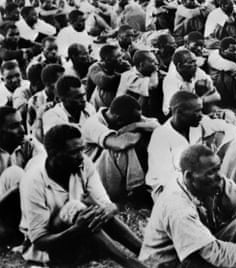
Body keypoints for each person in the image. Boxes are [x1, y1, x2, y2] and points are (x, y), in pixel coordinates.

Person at [19, 124, 145, 267]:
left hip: (79, 235)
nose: (81, 156)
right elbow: (40, 240)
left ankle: (148, 252)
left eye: (82, 149)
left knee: (93, 211)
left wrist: (108, 210)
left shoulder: (83, 163)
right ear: (54, 154)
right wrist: (77, 229)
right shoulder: (34, 180)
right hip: (47, 249)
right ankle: (129, 263)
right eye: (74, 152)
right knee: (76, 208)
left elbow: (104, 203)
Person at [146, 91, 236, 199]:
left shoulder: (197, 123)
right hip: (171, 190)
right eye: (196, 111)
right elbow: (166, 178)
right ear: (179, 112)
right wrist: (201, 178)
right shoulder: (161, 136)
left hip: (200, 180)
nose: (201, 115)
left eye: (201, 110)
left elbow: (230, 129)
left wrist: (221, 152)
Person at [82, 95, 159, 202]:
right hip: (92, 176)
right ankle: (136, 188)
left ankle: (138, 187)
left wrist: (136, 125)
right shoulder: (93, 124)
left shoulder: (125, 115)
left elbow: (157, 126)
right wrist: (139, 132)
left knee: (151, 136)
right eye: (133, 121)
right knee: (116, 151)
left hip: (113, 174)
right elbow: (120, 144)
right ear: (118, 120)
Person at [0, 106, 44, 245]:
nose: (22, 130)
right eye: (14, 126)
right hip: (4, 212)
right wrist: (15, 189)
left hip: (27, 208)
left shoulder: (28, 144)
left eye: (21, 124)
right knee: (14, 174)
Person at [162, 49, 220, 116]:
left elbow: (217, 96)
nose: (194, 65)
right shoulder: (171, 79)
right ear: (179, 65)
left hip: (195, 108)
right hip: (175, 115)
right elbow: (176, 107)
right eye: (190, 62)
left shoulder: (197, 71)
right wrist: (203, 100)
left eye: (195, 62)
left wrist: (200, 100)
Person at [117, 50, 164, 121]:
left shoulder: (143, 72)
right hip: (124, 116)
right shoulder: (129, 76)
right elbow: (152, 85)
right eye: (152, 61)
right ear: (141, 65)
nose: (156, 63)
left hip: (135, 111)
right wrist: (155, 70)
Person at [207, 37, 236, 110]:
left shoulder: (232, 54)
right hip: (217, 88)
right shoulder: (214, 56)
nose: (235, 52)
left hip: (228, 86)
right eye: (232, 50)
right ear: (223, 50)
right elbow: (232, 67)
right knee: (225, 74)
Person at [87, 44, 132, 110]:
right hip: (103, 104)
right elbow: (105, 83)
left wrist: (127, 70)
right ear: (107, 59)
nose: (121, 59)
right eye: (118, 56)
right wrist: (123, 75)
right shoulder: (95, 68)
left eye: (121, 55)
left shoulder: (122, 64)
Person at [27, 64, 64, 142]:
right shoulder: (35, 101)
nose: (64, 84)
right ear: (48, 83)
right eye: (61, 81)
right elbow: (33, 133)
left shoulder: (64, 97)